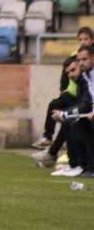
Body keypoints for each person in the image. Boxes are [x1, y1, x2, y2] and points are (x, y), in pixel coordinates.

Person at [49, 46, 94, 177]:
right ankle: (79, 165)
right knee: (75, 122)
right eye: (79, 60)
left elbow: (85, 103)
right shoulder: (86, 75)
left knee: (74, 121)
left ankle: (84, 165)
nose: (81, 63)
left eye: (84, 59)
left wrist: (64, 114)